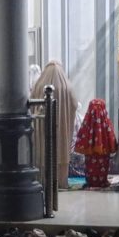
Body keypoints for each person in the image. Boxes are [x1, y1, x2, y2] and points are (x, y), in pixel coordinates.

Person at [31, 61, 78, 189]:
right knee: (60, 150)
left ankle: (43, 181)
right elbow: (74, 105)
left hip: (43, 127)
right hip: (62, 128)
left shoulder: (39, 85)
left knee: (44, 150)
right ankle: (60, 182)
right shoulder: (67, 86)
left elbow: (31, 104)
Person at [74, 99, 117, 188]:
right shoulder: (106, 122)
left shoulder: (87, 122)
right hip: (104, 150)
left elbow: (82, 135)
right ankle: (101, 181)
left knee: (91, 164)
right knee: (102, 164)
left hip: (90, 152)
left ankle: (91, 182)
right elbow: (111, 136)